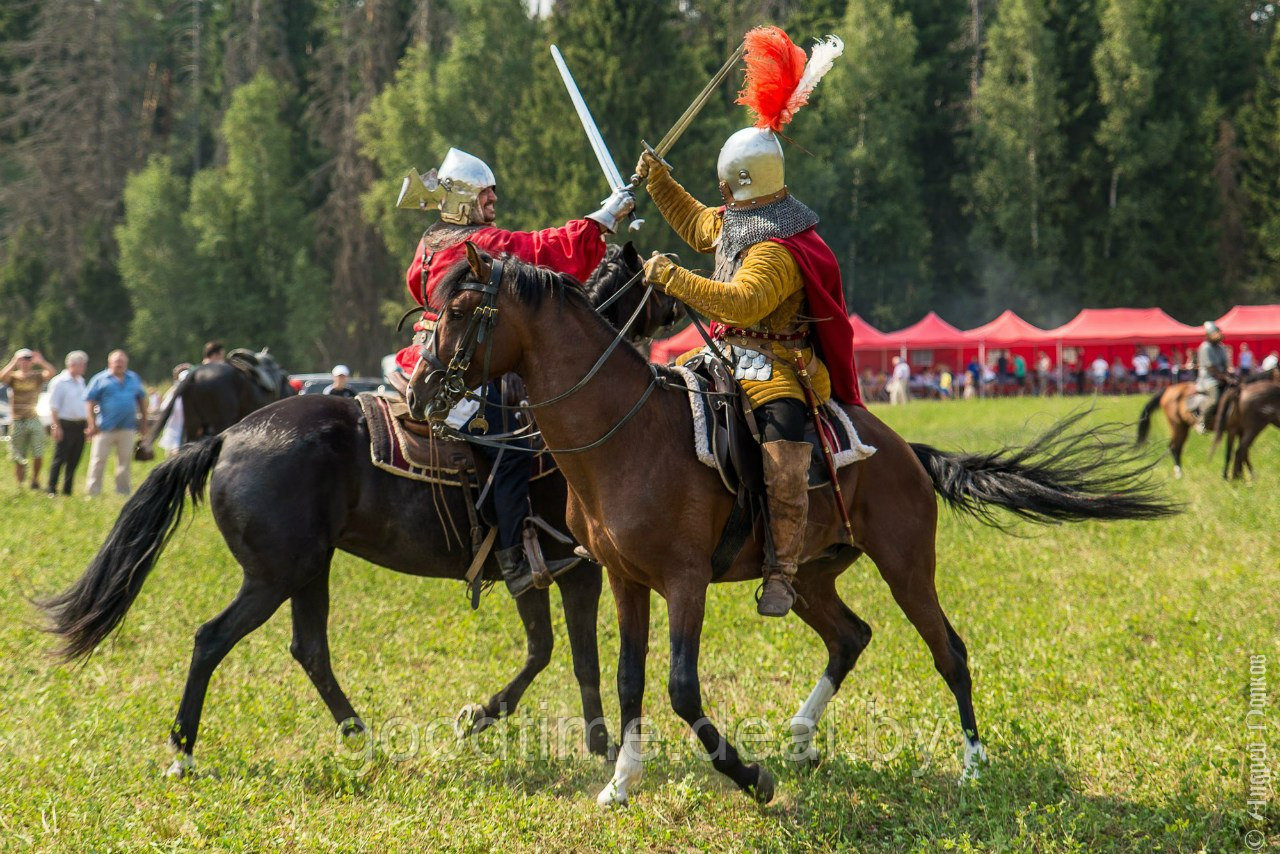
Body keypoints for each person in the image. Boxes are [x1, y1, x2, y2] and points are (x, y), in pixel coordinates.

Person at [634, 26, 854, 617]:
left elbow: (742, 303)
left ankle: (781, 570)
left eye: (727, 187)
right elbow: (696, 223)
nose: (720, 196)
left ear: (746, 184)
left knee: (784, 452)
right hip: (724, 357)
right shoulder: (739, 220)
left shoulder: (779, 248)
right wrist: (659, 180)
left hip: (780, 367)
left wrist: (673, 279)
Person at [396, 146, 635, 599]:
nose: (493, 205)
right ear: (464, 199)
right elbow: (539, 251)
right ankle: (512, 557)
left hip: (424, 354)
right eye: (486, 198)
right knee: (512, 446)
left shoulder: (430, 242)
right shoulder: (478, 246)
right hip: (454, 371)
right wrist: (603, 218)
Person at [84, 350, 148, 497]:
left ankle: (123, 492)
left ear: (126, 363)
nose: (119, 364)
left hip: (128, 427)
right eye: (116, 361)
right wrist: (91, 424)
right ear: (109, 363)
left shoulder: (133, 378)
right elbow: (89, 402)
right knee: (98, 460)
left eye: (122, 362)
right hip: (104, 428)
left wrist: (144, 423)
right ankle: (93, 492)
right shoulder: (100, 379)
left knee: (124, 462)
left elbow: (142, 400)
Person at [1, 348, 56, 489]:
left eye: (28, 359)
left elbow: (51, 372)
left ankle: (35, 480)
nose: (25, 362)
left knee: (38, 452)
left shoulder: (36, 376)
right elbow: (2, 377)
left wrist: (41, 361)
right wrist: (14, 361)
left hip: (33, 418)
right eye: (22, 360)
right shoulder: (13, 376)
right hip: (17, 419)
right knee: (18, 454)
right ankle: (20, 483)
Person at [46, 350, 89, 495]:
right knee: (60, 458)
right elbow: (53, 406)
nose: (84, 367)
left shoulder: (81, 381)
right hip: (65, 424)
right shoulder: (59, 382)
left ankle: (67, 489)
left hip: (79, 425)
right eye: (82, 365)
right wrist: (56, 426)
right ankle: (52, 487)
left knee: (74, 458)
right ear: (72, 364)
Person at [1195, 322, 1230, 433]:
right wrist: (1223, 376)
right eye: (1215, 333)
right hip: (1208, 379)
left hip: (1221, 376)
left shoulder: (1221, 347)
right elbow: (1210, 367)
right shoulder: (1205, 347)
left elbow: (1225, 364)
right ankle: (1202, 422)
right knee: (1214, 399)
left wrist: (1227, 375)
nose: (1218, 335)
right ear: (1209, 335)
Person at [157, 363, 192, 454]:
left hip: (185, 432)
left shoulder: (193, 392)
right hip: (175, 430)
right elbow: (164, 408)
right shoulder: (173, 391)